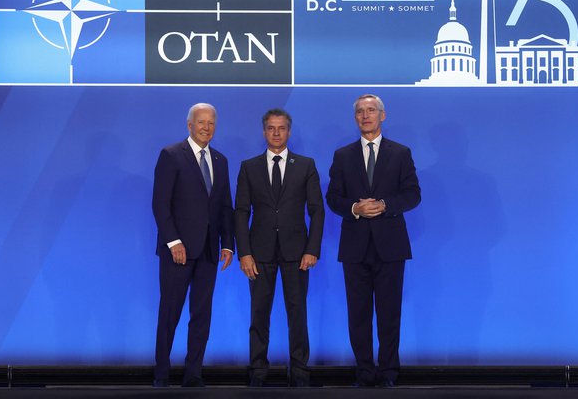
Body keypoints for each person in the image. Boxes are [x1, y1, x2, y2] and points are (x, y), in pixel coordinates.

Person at [326, 94, 421, 388]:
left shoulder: (400, 153)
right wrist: (355, 208)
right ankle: (365, 372)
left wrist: (384, 205)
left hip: (390, 247)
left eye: (371, 110)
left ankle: (389, 373)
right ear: (355, 118)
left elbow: (412, 195)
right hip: (355, 248)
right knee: (358, 316)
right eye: (360, 112)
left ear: (382, 115)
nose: (365, 115)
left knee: (389, 315)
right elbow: (333, 198)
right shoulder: (343, 156)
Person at [235, 109, 325, 387]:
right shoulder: (249, 166)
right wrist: (245, 252)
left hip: (297, 253)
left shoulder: (306, 165)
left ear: (289, 131)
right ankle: (258, 371)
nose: (276, 133)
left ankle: (299, 371)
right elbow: (240, 212)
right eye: (271, 128)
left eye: (281, 128)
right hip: (258, 254)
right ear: (264, 132)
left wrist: (312, 249)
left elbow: (317, 210)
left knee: (297, 314)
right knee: (258, 314)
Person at [151, 103, 235, 387]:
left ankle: (193, 372)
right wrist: (173, 241)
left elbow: (225, 207)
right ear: (189, 125)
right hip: (178, 252)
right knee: (170, 313)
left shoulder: (221, 160)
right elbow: (160, 204)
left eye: (211, 123)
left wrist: (228, 244)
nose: (206, 127)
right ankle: (162, 373)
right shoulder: (171, 155)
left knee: (201, 314)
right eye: (201, 122)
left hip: (210, 251)